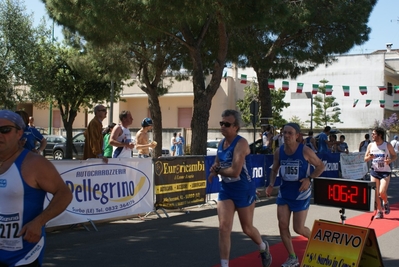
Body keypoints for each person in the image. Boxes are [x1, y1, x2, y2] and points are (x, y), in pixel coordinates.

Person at [0, 109, 72, 267]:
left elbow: (64, 194)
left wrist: (39, 222)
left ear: (19, 133)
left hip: (22, 254)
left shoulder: (34, 164)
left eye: (5, 130)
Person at [208, 109, 272, 267]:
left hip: (244, 190)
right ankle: (224, 265)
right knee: (224, 227)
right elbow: (218, 160)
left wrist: (218, 171)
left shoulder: (241, 143)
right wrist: (214, 169)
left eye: (227, 124)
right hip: (227, 190)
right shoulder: (222, 143)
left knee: (247, 228)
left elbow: (235, 171)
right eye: (221, 123)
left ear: (235, 127)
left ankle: (263, 247)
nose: (222, 126)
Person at [266, 123, 325, 267]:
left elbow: (321, 166)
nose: (286, 136)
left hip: (300, 193)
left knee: (298, 228)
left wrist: (309, 179)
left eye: (290, 133)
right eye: (284, 132)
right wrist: (271, 184)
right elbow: (274, 169)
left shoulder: (305, 151)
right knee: (283, 225)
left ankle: (317, 244)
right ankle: (292, 257)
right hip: (285, 192)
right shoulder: (279, 152)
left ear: (297, 135)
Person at [364, 127, 397, 219]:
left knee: (382, 192)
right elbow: (365, 159)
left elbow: (395, 156)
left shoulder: (387, 145)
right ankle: (379, 211)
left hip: (385, 172)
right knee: (375, 194)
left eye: (374, 134)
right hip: (374, 171)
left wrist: (390, 160)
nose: (372, 136)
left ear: (380, 135)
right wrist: (369, 157)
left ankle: (386, 202)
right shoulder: (370, 145)